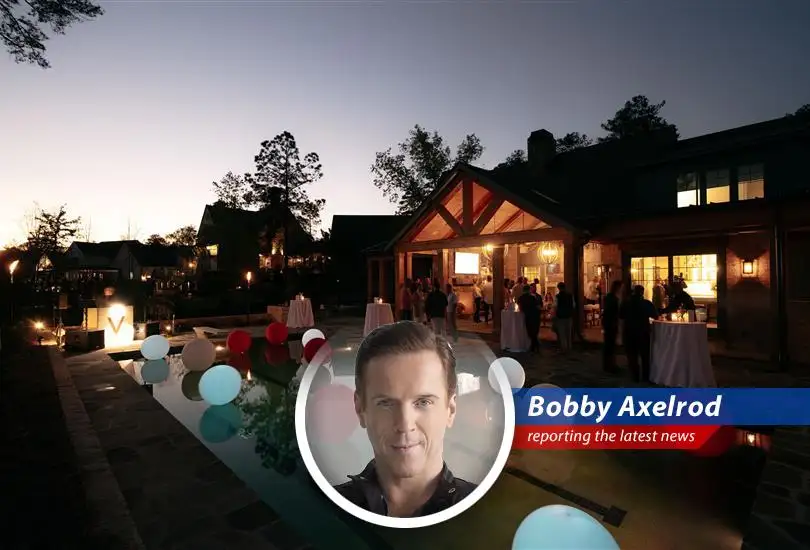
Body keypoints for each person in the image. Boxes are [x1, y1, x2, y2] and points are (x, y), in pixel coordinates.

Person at [335, 321, 477, 516]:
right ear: (360, 410)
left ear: (450, 410)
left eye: (423, 402)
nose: (404, 424)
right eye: (386, 403)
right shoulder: (324, 509)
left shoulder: (485, 510)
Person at [620, 285, 657, 383]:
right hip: (643, 332)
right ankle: (645, 377)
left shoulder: (626, 303)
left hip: (629, 332)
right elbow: (655, 315)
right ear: (642, 292)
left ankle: (635, 376)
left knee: (632, 356)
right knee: (645, 356)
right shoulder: (646, 303)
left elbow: (620, 315)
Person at [602, 280, 623, 373]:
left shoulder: (609, 297)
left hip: (609, 323)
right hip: (611, 324)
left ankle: (609, 364)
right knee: (610, 345)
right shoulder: (613, 299)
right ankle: (610, 365)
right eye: (621, 287)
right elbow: (613, 312)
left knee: (609, 345)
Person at [517, 285, 541, 352]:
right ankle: (535, 346)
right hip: (535, 315)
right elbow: (537, 306)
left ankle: (534, 346)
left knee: (530, 331)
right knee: (534, 331)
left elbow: (520, 308)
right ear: (529, 290)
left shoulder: (520, 298)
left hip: (528, 315)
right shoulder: (532, 297)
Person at [553, 282, 575, 353]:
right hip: (569, 316)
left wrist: (554, 316)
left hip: (560, 317)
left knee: (562, 334)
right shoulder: (570, 296)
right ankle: (569, 347)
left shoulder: (557, 296)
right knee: (568, 332)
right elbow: (573, 305)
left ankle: (564, 348)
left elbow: (555, 307)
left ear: (558, 288)